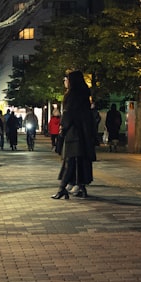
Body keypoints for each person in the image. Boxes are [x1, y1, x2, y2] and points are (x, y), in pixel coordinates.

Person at [52, 70, 96, 200]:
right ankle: (81, 187)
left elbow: (68, 115)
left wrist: (62, 129)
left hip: (73, 133)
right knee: (80, 160)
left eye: (67, 79)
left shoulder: (71, 96)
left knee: (70, 161)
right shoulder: (84, 95)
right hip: (84, 133)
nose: (65, 81)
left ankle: (62, 189)